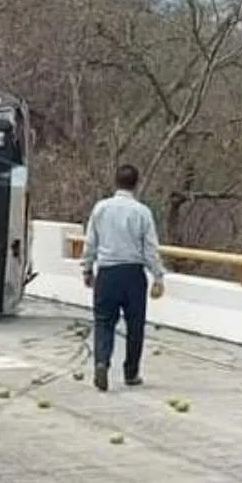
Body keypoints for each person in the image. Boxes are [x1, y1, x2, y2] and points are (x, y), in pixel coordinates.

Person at [80, 164, 166, 392]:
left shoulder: (101, 209)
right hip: (133, 275)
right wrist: (158, 276)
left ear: (115, 182)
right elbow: (150, 248)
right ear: (136, 184)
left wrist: (87, 269)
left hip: (107, 273)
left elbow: (90, 242)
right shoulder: (142, 212)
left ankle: (101, 362)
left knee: (103, 321)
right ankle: (131, 372)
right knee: (135, 325)